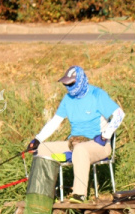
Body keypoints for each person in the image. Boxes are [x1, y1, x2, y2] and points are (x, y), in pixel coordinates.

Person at [26, 65, 125, 203]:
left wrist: (106, 135)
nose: (69, 87)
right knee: (42, 149)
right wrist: (37, 139)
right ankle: (43, 194)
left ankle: (79, 195)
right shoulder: (68, 99)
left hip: (99, 144)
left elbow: (119, 114)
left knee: (80, 150)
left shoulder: (97, 94)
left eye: (71, 83)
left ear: (80, 81)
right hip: (74, 143)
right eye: (66, 84)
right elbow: (55, 122)